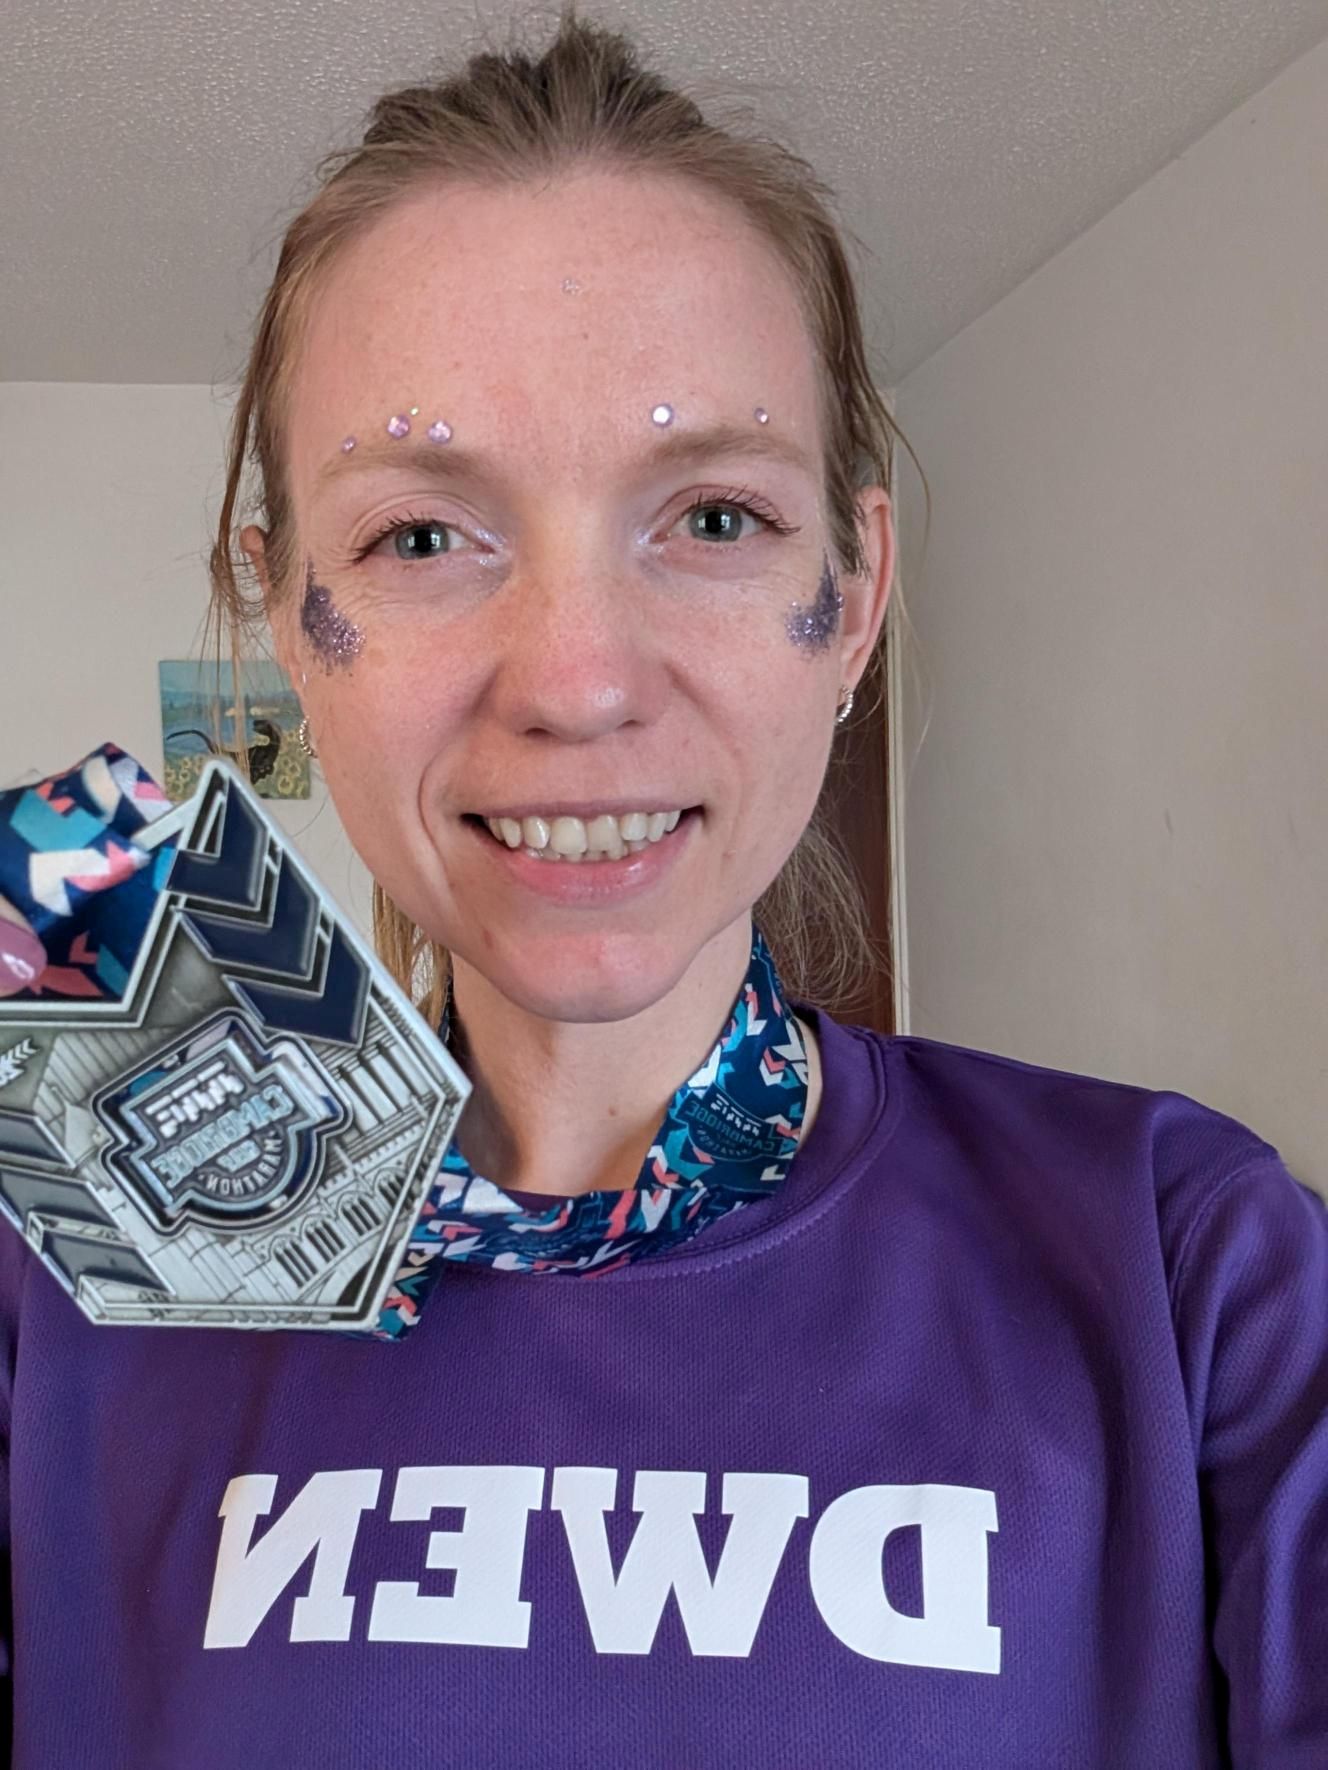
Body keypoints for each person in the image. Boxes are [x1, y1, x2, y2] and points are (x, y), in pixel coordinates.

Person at [1, 8, 1324, 1766]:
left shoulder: (1189, 1265)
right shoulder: (59, 1286)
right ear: (291, 623)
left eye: (711, 517)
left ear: (852, 603)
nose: (577, 680)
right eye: (420, 535)